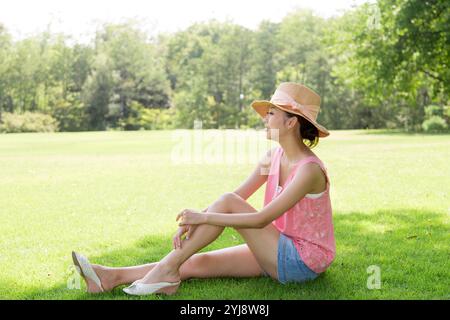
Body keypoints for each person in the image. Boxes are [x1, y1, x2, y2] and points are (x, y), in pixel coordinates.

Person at [71, 82, 336, 296]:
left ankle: (167, 271)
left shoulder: (308, 170)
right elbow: (239, 195)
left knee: (227, 202)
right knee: (199, 262)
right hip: (275, 247)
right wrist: (193, 220)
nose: (265, 119)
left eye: (271, 113)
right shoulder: (272, 158)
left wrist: (204, 217)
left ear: (291, 123)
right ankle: (109, 277)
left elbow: (260, 219)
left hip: (301, 261)